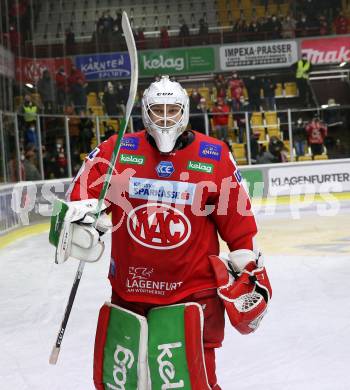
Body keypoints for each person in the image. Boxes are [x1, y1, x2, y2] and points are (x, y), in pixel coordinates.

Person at [50, 76, 272, 390]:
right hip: (130, 292)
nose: (165, 117)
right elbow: (81, 195)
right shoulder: (117, 150)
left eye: (172, 109)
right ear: (144, 112)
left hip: (193, 295)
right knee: (127, 384)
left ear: (185, 111)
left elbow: (237, 220)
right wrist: (83, 218)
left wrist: (246, 263)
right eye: (157, 110)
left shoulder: (214, 155)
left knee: (194, 383)